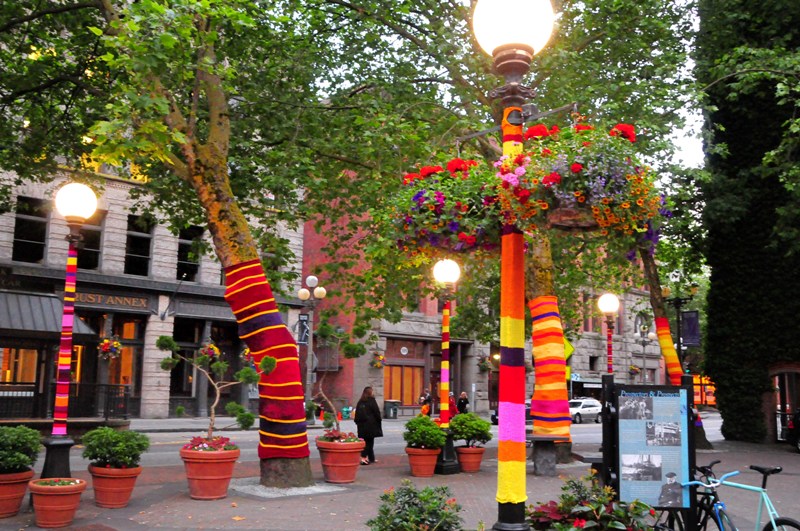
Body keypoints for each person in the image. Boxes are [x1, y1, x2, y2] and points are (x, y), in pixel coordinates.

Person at [354, 386, 383, 465]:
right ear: (370, 393)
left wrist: (358, 423)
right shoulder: (371, 401)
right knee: (369, 442)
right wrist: (379, 420)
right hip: (371, 425)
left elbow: (357, 414)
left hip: (361, 426)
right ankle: (363, 458)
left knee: (366, 441)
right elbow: (376, 412)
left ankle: (371, 458)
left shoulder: (360, 401)